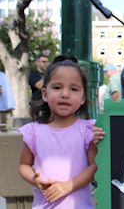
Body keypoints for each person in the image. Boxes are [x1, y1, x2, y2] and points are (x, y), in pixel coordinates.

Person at [18, 55, 99, 208]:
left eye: (74, 89)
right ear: (44, 94)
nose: (65, 94)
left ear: (83, 98)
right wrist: (35, 179)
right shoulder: (34, 132)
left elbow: (93, 166)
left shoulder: (88, 130)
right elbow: (23, 165)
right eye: (57, 87)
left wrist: (69, 185)